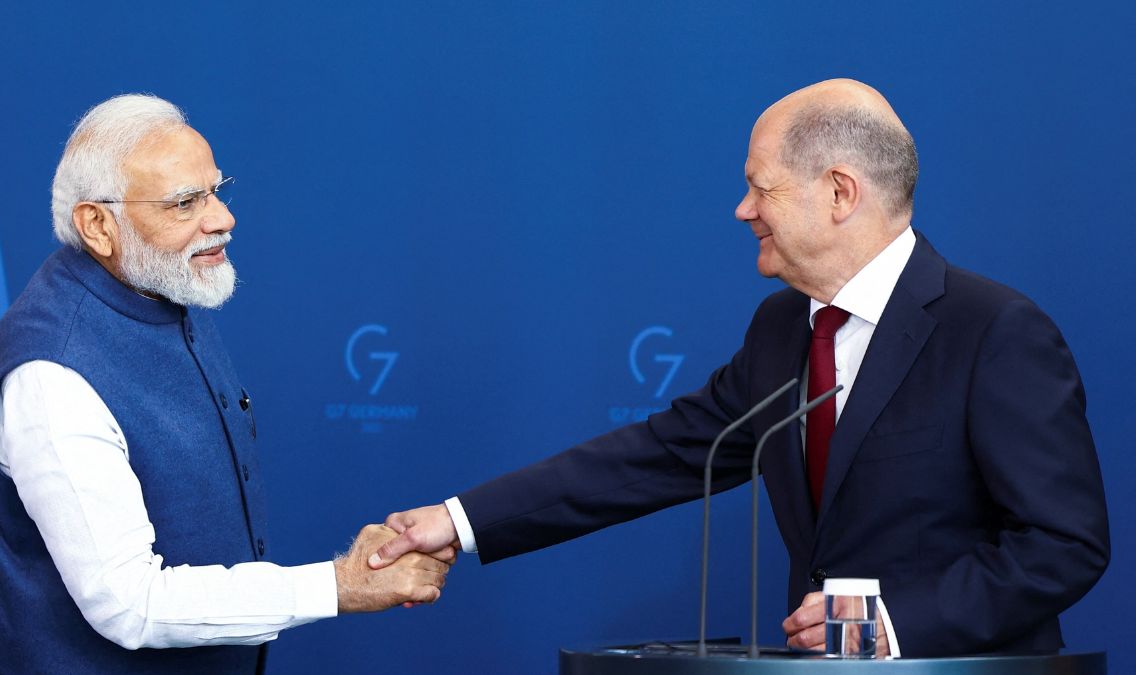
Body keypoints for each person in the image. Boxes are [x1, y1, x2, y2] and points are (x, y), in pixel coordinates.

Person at [369, 79, 1110, 658]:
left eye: (762, 186)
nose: (742, 209)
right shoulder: (782, 327)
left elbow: (1064, 544)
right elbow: (658, 454)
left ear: (840, 192)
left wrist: (892, 622)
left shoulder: (993, 330)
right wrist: (458, 521)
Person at [0, 94, 453, 675]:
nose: (222, 218)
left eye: (216, 190)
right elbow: (129, 605)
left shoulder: (159, 284)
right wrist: (339, 585)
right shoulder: (53, 375)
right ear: (97, 225)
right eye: (184, 203)